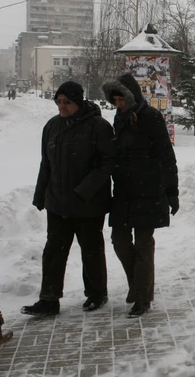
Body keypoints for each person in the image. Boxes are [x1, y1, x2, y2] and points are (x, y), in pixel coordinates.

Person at [23, 81, 116, 316]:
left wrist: (85, 190)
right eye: (59, 101)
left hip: (89, 204)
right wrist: (40, 193)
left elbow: (107, 163)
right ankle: (49, 299)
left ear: (79, 102)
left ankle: (96, 294)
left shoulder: (98, 127)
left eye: (67, 102)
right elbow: (47, 164)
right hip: (58, 203)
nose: (62, 106)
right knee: (53, 251)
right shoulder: (52, 127)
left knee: (91, 250)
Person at [102, 74, 179, 317]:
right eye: (115, 100)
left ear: (131, 95)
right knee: (119, 241)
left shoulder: (151, 117)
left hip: (149, 190)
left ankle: (142, 298)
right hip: (124, 192)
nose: (119, 104)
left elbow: (167, 156)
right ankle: (137, 285)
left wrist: (172, 192)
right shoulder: (120, 117)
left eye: (122, 99)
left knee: (144, 245)